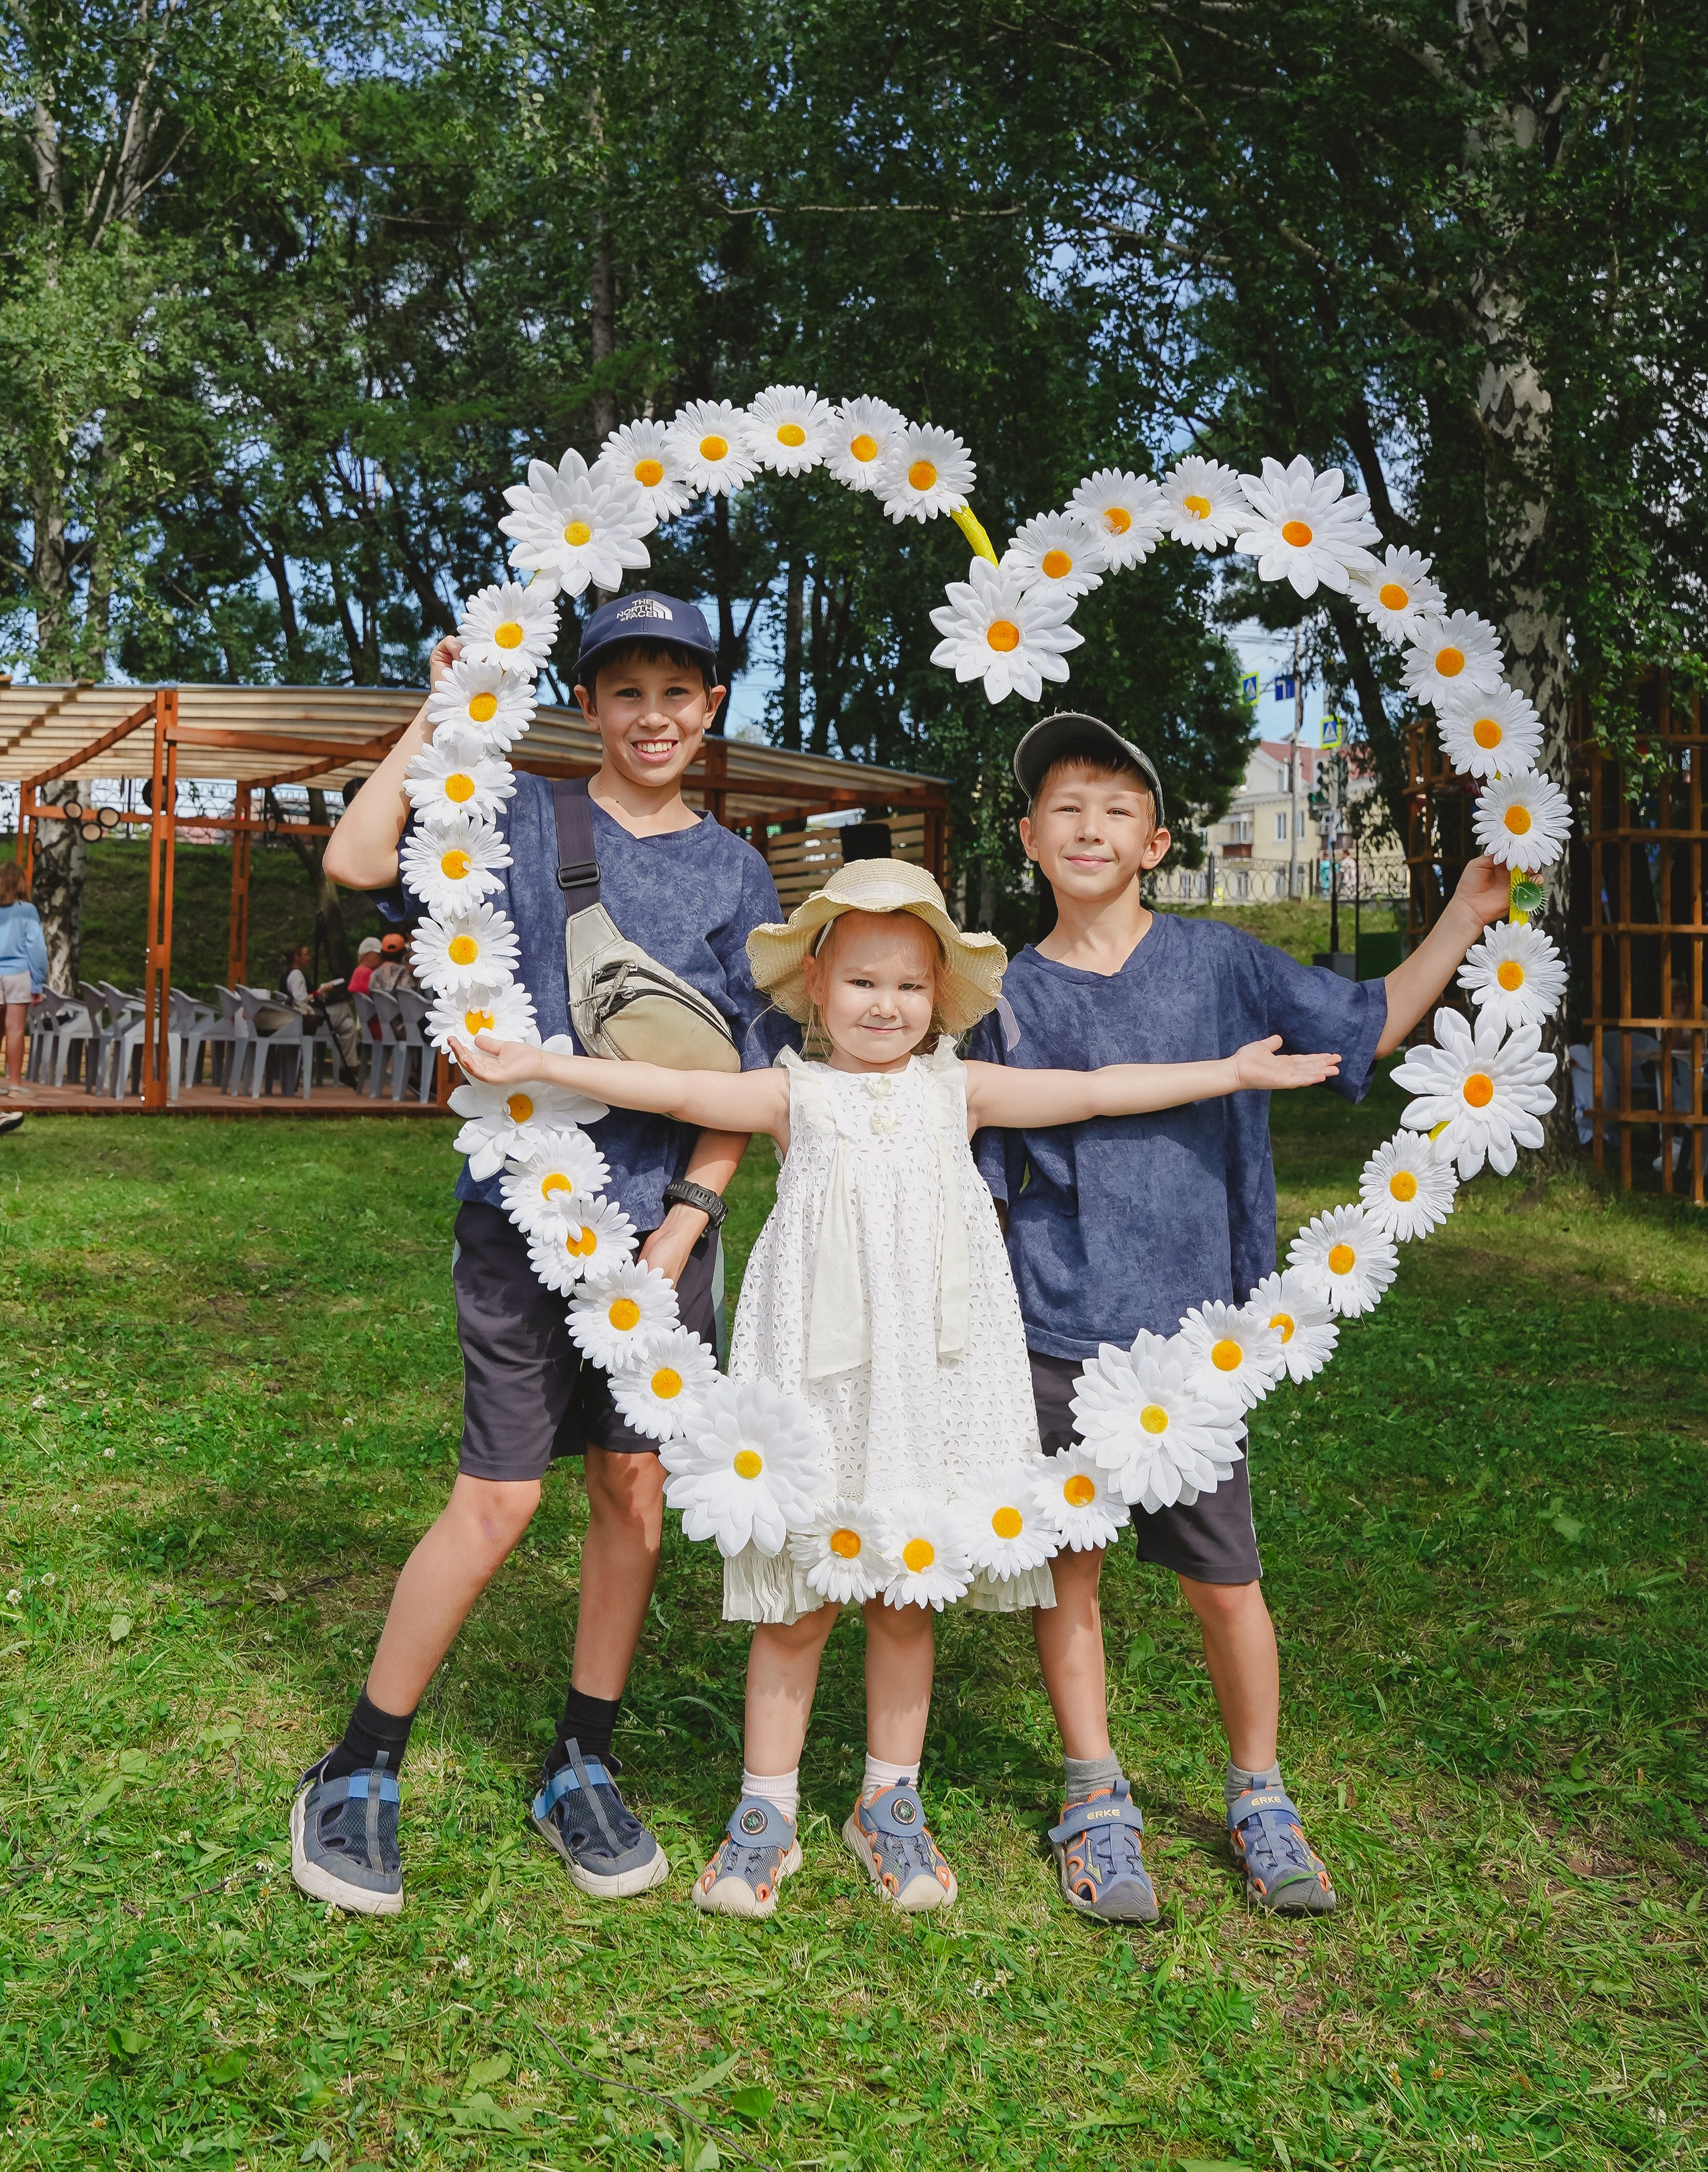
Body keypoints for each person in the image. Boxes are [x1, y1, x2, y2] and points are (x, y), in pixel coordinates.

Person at [452, 858, 1342, 1917]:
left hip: (927, 1379)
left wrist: (1228, 1074)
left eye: (911, 986)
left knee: (902, 1595)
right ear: (817, 987)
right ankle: (766, 1813)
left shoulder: (961, 1090)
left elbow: (1097, 1090)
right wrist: (541, 1063)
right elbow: (678, 1090)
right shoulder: (793, 1093)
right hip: (815, 1377)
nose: (887, 1005)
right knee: (800, 1598)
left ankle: (889, 1802)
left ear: (940, 998)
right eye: (864, 982)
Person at [288, 590, 790, 1918]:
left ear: (712, 704)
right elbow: (354, 857)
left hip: (664, 1234)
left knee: (631, 1488)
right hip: (525, 1219)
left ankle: (582, 1759)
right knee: (498, 1499)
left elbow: (754, 1079)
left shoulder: (737, 875)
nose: (653, 716)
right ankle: (357, 1762)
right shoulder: (518, 818)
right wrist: (438, 715)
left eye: (676, 691)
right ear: (589, 704)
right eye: (626, 691)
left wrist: (689, 1220)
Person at [968, 713, 1514, 1921]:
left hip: (1196, 1345)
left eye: (1118, 810)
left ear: (1157, 843)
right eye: (1066, 809)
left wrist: (1466, 916)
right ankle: (1095, 1796)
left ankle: (1259, 1794)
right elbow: (975, 1172)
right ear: (1030, 838)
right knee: (1069, 1580)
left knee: (1226, 1584)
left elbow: (1367, 1022)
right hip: (1053, 1330)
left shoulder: (1222, 964)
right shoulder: (1001, 995)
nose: (1091, 828)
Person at [0, 859, 44, 1123]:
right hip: (18, 973)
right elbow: (35, 948)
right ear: (20, 883)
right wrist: (37, 982)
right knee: (15, 1030)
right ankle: (15, 1086)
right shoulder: (27, 910)